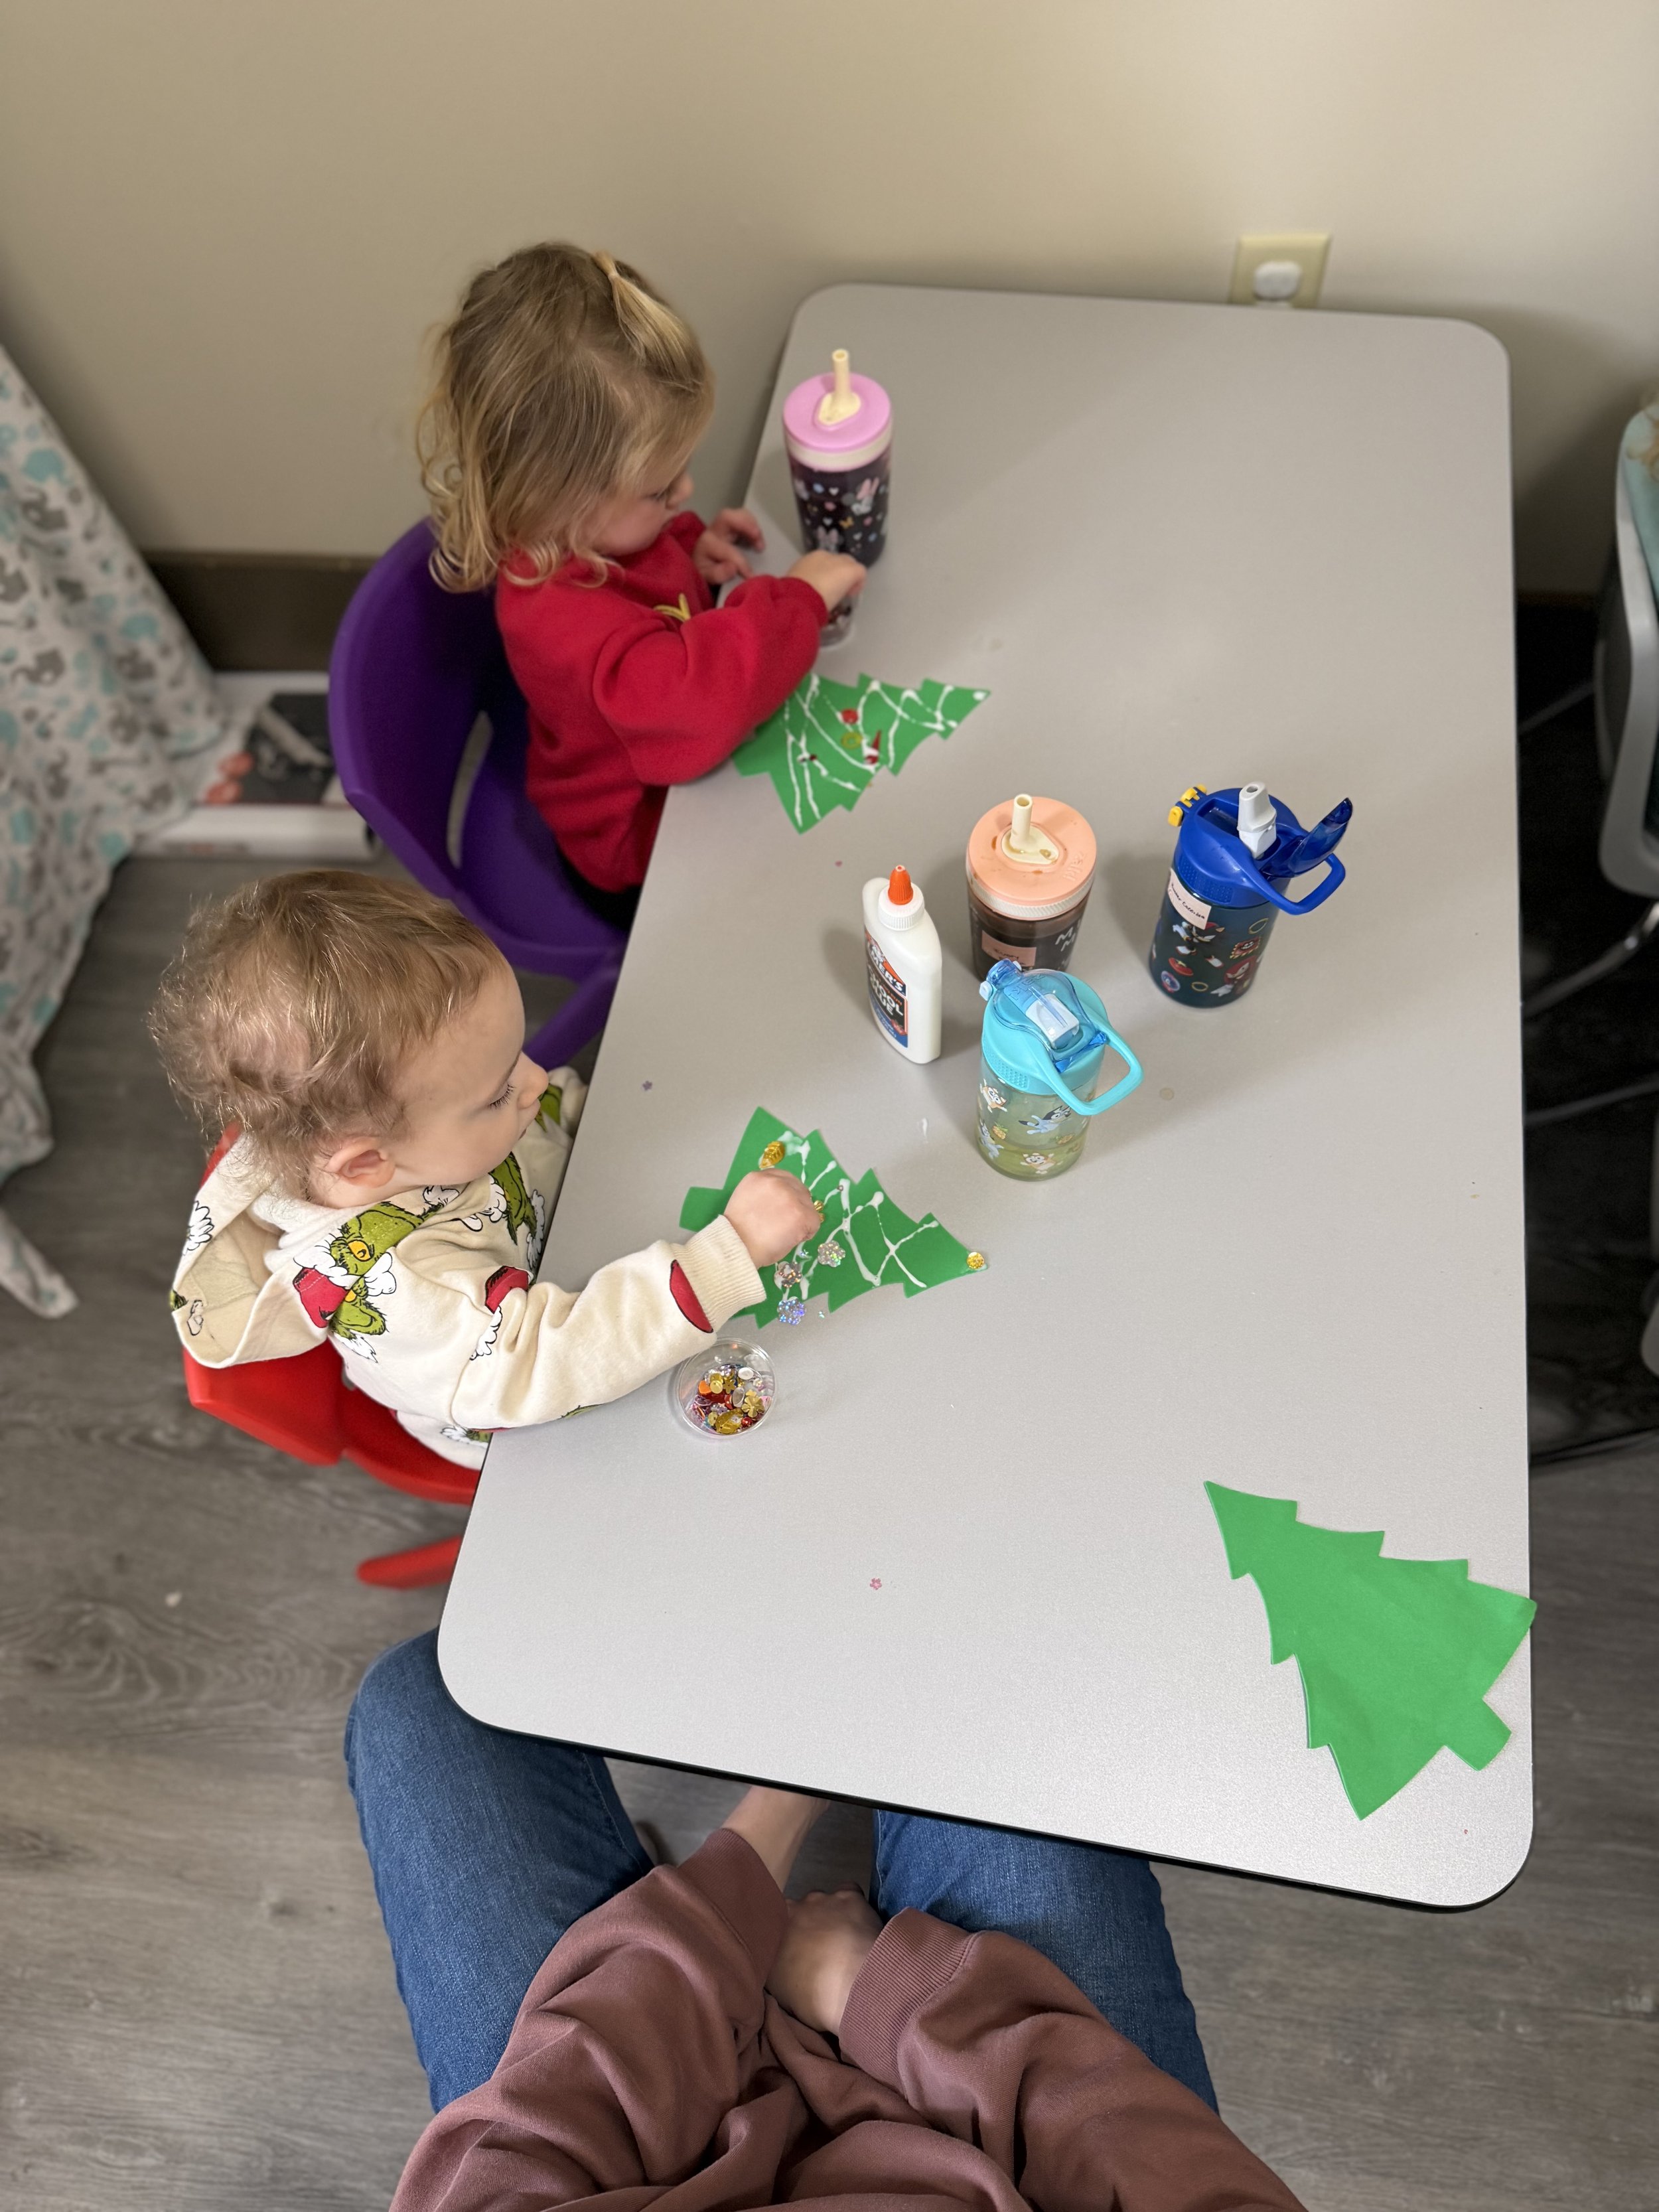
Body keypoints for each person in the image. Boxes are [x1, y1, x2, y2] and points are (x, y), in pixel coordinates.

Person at [347, 1633, 1306, 2211]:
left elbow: (514, 2165)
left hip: (631, 2144)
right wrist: (878, 1996)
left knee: (424, 1701)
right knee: (1002, 1663)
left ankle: (669, 1906)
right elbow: (1178, 2182)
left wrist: (768, 1825)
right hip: (1016, 2130)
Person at [150, 870, 818, 1467]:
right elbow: (556, 1361)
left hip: (569, 1251)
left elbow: (544, 1113)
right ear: (367, 1164)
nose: (536, 1080)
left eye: (517, 1054)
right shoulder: (412, 1293)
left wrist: (618, 1112)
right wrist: (727, 1259)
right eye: (497, 1092)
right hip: (533, 1419)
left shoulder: (406, 1136)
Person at [417, 242, 867, 921]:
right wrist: (796, 599)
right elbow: (698, 707)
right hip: (633, 849)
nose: (686, 491)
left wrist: (689, 545)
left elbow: (632, 570)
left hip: (669, 774)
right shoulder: (557, 621)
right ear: (556, 499)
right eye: (661, 491)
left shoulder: (568, 530)